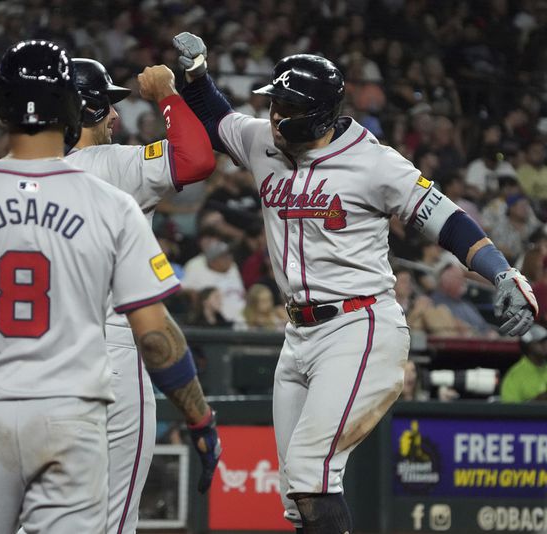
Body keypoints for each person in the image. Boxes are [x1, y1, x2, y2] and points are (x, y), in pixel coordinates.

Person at [171, 32, 537, 533]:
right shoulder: (264, 139)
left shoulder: (374, 162)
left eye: (285, 107)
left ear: (319, 114)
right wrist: (195, 75)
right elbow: (216, 121)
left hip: (358, 326)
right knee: (299, 497)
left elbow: (447, 220)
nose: (274, 115)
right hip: (296, 336)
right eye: (273, 104)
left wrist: (502, 271)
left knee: (309, 473)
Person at [0, 41, 220, 534]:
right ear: (73, 107)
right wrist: (198, 418)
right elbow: (155, 334)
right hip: (70, 408)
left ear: (1, 108)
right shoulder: (112, 202)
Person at [59, 58, 215, 534]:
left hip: (39, 355)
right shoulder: (115, 163)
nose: (115, 116)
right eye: (107, 104)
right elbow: (198, 159)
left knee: (50, 513)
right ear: (85, 108)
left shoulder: (16, 178)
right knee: (110, 520)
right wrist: (169, 93)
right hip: (110, 355)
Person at [500, 323, 547, 402]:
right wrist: (537, 402)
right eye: (540, 342)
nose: (546, 345)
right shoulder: (515, 375)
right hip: (533, 415)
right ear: (528, 345)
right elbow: (510, 410)